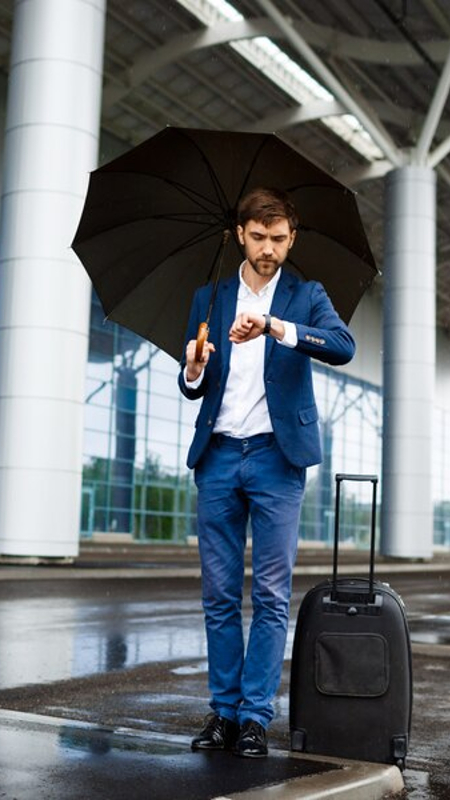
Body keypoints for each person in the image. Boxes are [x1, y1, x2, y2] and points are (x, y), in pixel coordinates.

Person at [179, 187, 355, 758]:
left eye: (279, 240)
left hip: (278, 458)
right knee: (219, 596)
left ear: (291, 239)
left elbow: (343, 346)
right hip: (220, 455)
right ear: (240, 234)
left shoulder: (307, 296)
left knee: (273, 595)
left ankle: (255, 717)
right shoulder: (209, 297)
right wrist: (193, 368)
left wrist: (276, 326)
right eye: (259, 238)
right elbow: (194, 387)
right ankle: (223, 713)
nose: (269, 250)